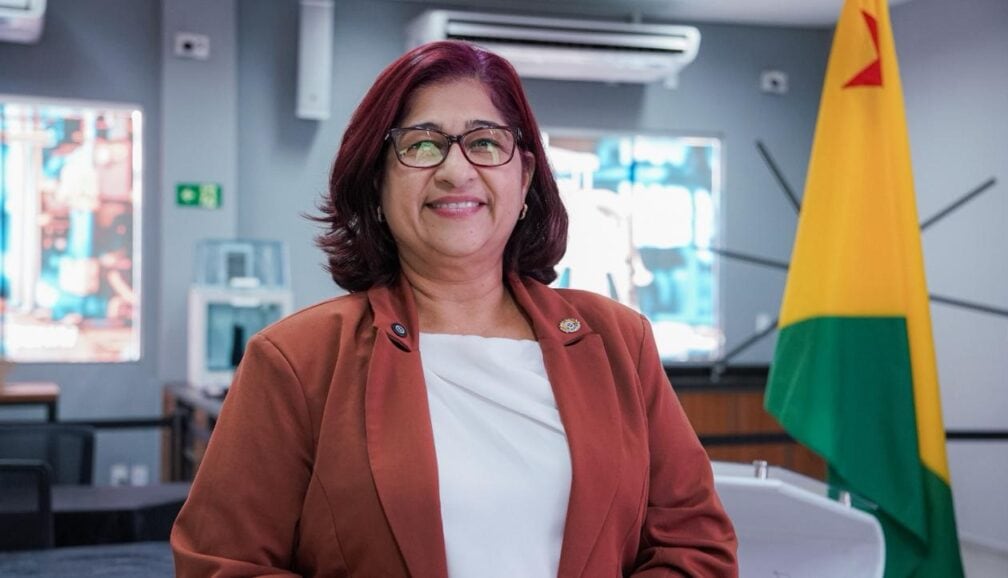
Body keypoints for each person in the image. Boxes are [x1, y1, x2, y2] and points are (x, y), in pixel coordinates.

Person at [171, 40, 737, 577]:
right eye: (421, 144)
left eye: (485, 142)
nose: (455, 170)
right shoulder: (297, 360)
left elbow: (694, 546)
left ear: (525, 178)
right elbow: (221, 564)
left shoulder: (618, 341)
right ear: (377, 183)